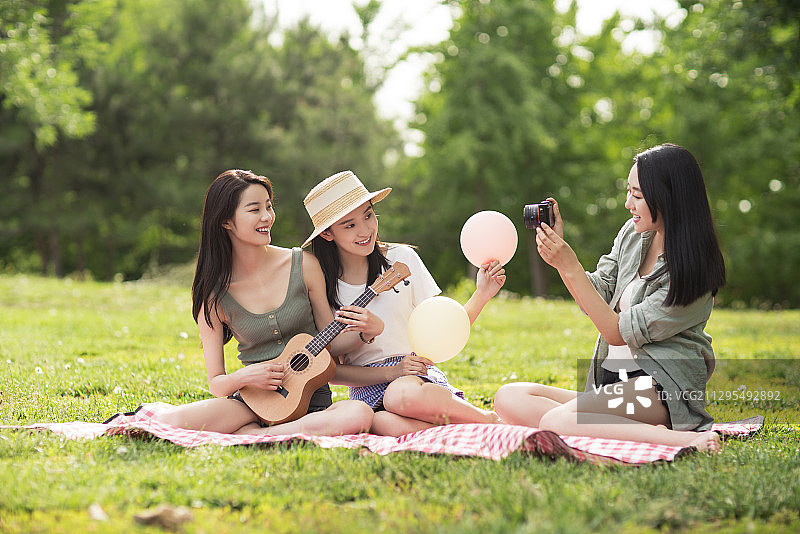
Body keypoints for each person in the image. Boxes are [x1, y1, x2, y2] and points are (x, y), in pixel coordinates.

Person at [494, 143, 727, 452]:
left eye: (638, 196)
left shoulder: (692, 271)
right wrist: (562, 259)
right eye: (629, 192)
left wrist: (570, 266)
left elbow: (616, 333)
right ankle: (623, 428)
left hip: (661, 390)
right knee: (509, 397)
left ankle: (686, 439)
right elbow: (596, 294)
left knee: (557, 421)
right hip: (614, 384)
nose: (628, 204)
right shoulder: (633, 234)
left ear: (668, 197)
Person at [156, 170, 374, 435]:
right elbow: (217, 383)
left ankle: (259, 435)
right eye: (254, 209)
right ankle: (272, 430)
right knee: (169, 422)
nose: (267, 217)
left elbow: (332, 343)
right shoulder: (213, 295)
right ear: (226, 221)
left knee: (359, 413)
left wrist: (366, 333)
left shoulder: (304, 265)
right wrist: (245, 377)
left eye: (269, 207)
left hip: (312, 405)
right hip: (251, 404)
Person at [301, 170, 506, 437]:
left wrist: (482, 293)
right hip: (367, 388)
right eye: (349, 225)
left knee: (400, 396)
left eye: (368, 215)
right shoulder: (323, 284)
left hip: (414, 378)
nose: (365, 230)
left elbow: (444, 330)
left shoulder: (401, 259)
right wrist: (376, 350)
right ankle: (463, 427)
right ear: (327, 234)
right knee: (382, 423)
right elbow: (332, 371)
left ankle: (489, 420)